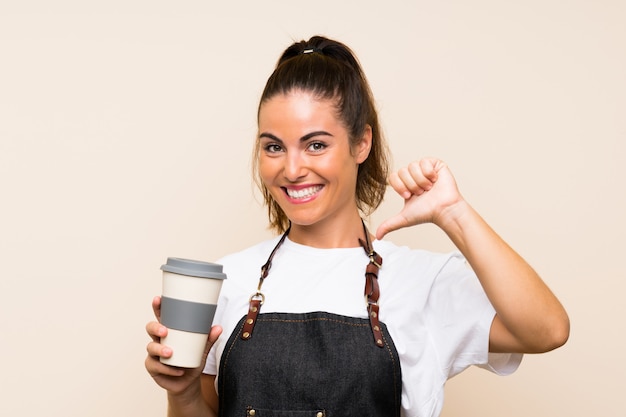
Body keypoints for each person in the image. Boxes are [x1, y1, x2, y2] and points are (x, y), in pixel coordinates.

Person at [145, 35, 569, 417]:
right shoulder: (230, 279)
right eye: (274, 147)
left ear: (361, 143)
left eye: (316, 144)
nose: (292, 169)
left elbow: (547, 330)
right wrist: (182, 395)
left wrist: (453, 212)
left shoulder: (420, 282)